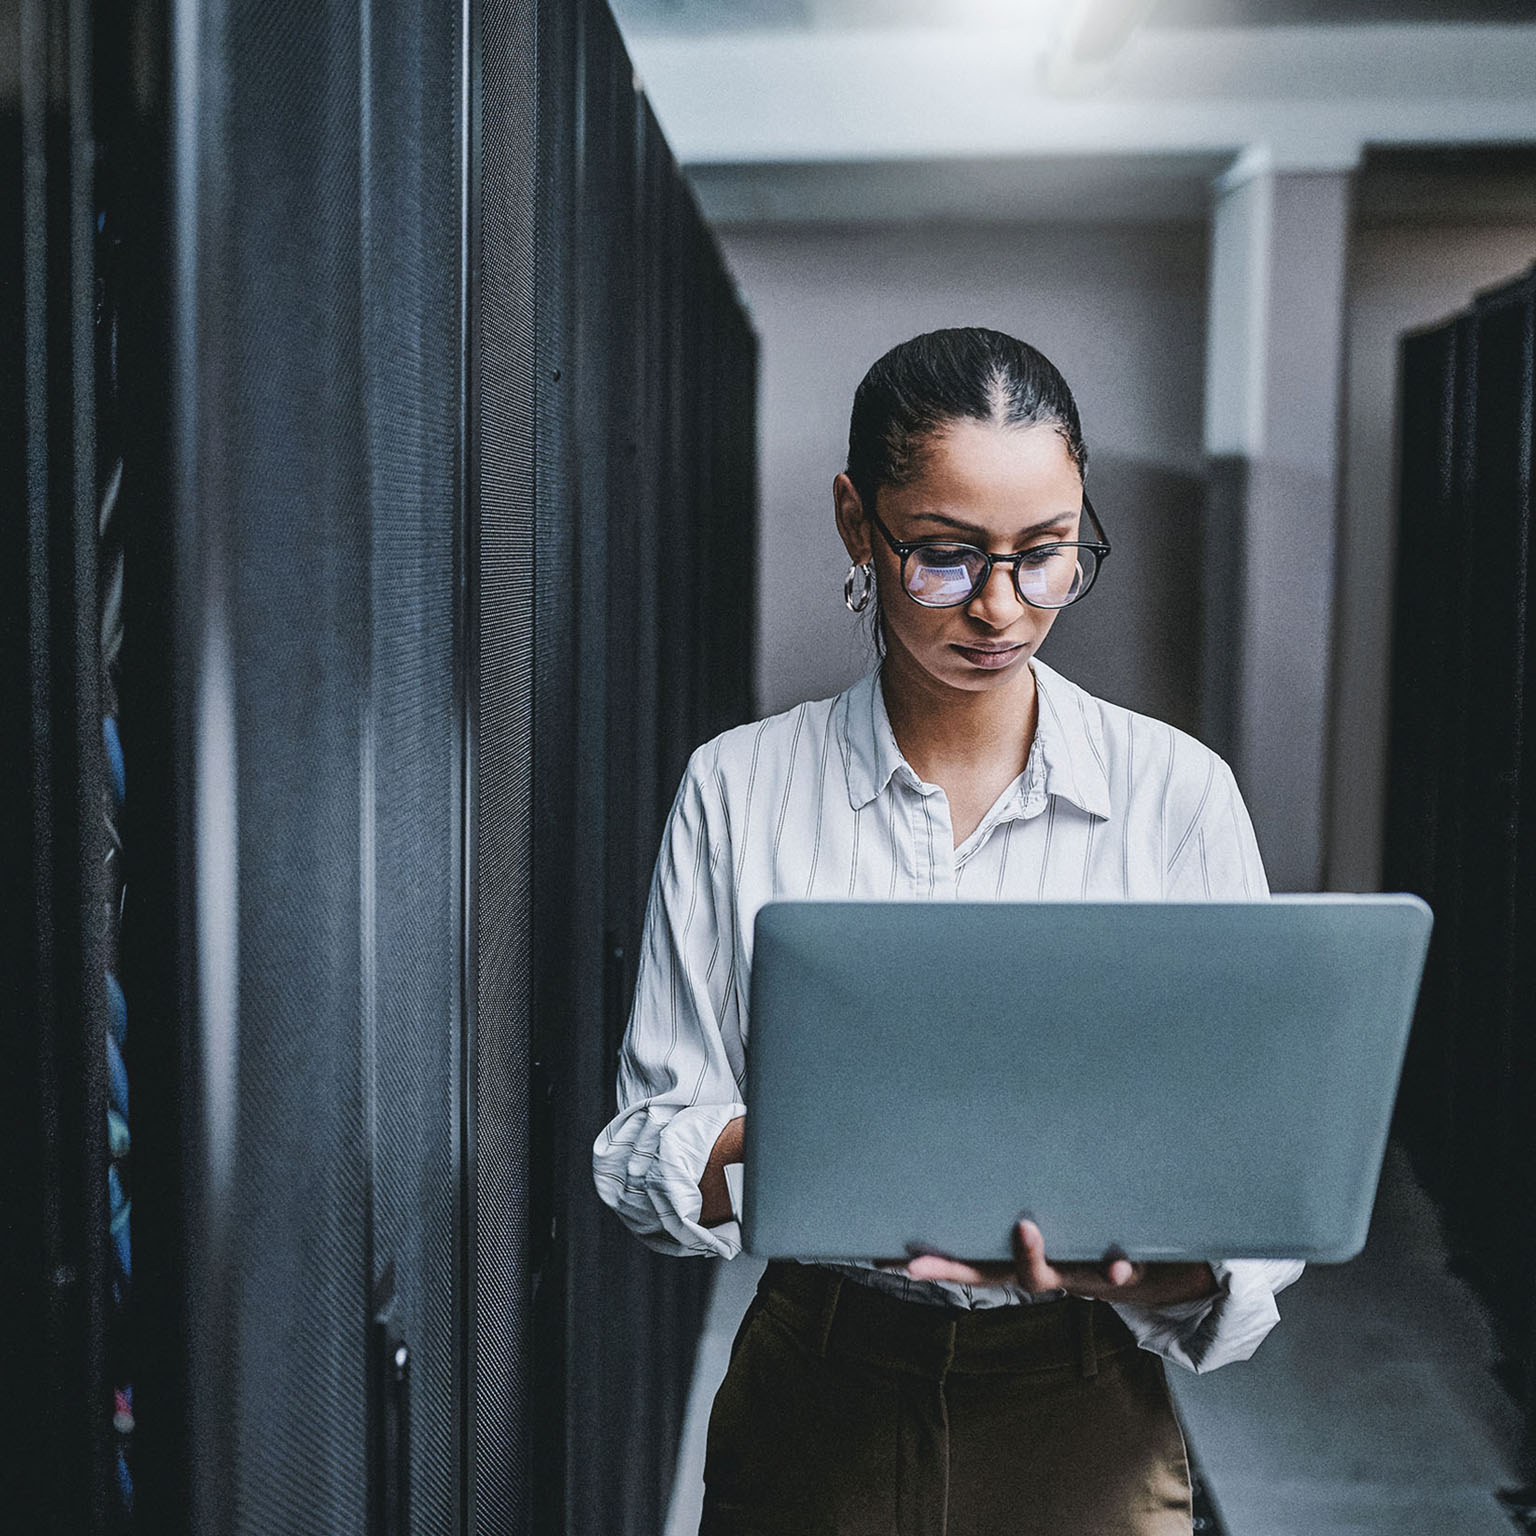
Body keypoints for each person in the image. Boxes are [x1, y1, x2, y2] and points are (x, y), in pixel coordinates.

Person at [592, 327, 1303, 1535]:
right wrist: (824, 1134)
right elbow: (644, 1145)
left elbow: (1256, 1176)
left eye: (1046, 556)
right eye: (943, 556)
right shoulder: (739, 787)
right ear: (855, 522)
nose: (1000, 607)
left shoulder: (1177, 794)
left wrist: (1148, 1268)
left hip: (1082, 1391)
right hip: (820, 1379)